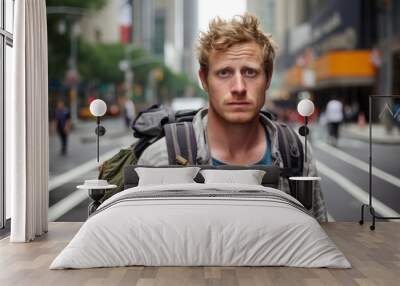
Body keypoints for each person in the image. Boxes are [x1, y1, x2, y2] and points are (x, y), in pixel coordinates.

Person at [137, 14, 327, 222]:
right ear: (204, 80)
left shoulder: (297, 152)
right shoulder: (161, 158)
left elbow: (318, 236)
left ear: (268, 77)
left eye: (250, 73)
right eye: (224, 73)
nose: (239, 88)